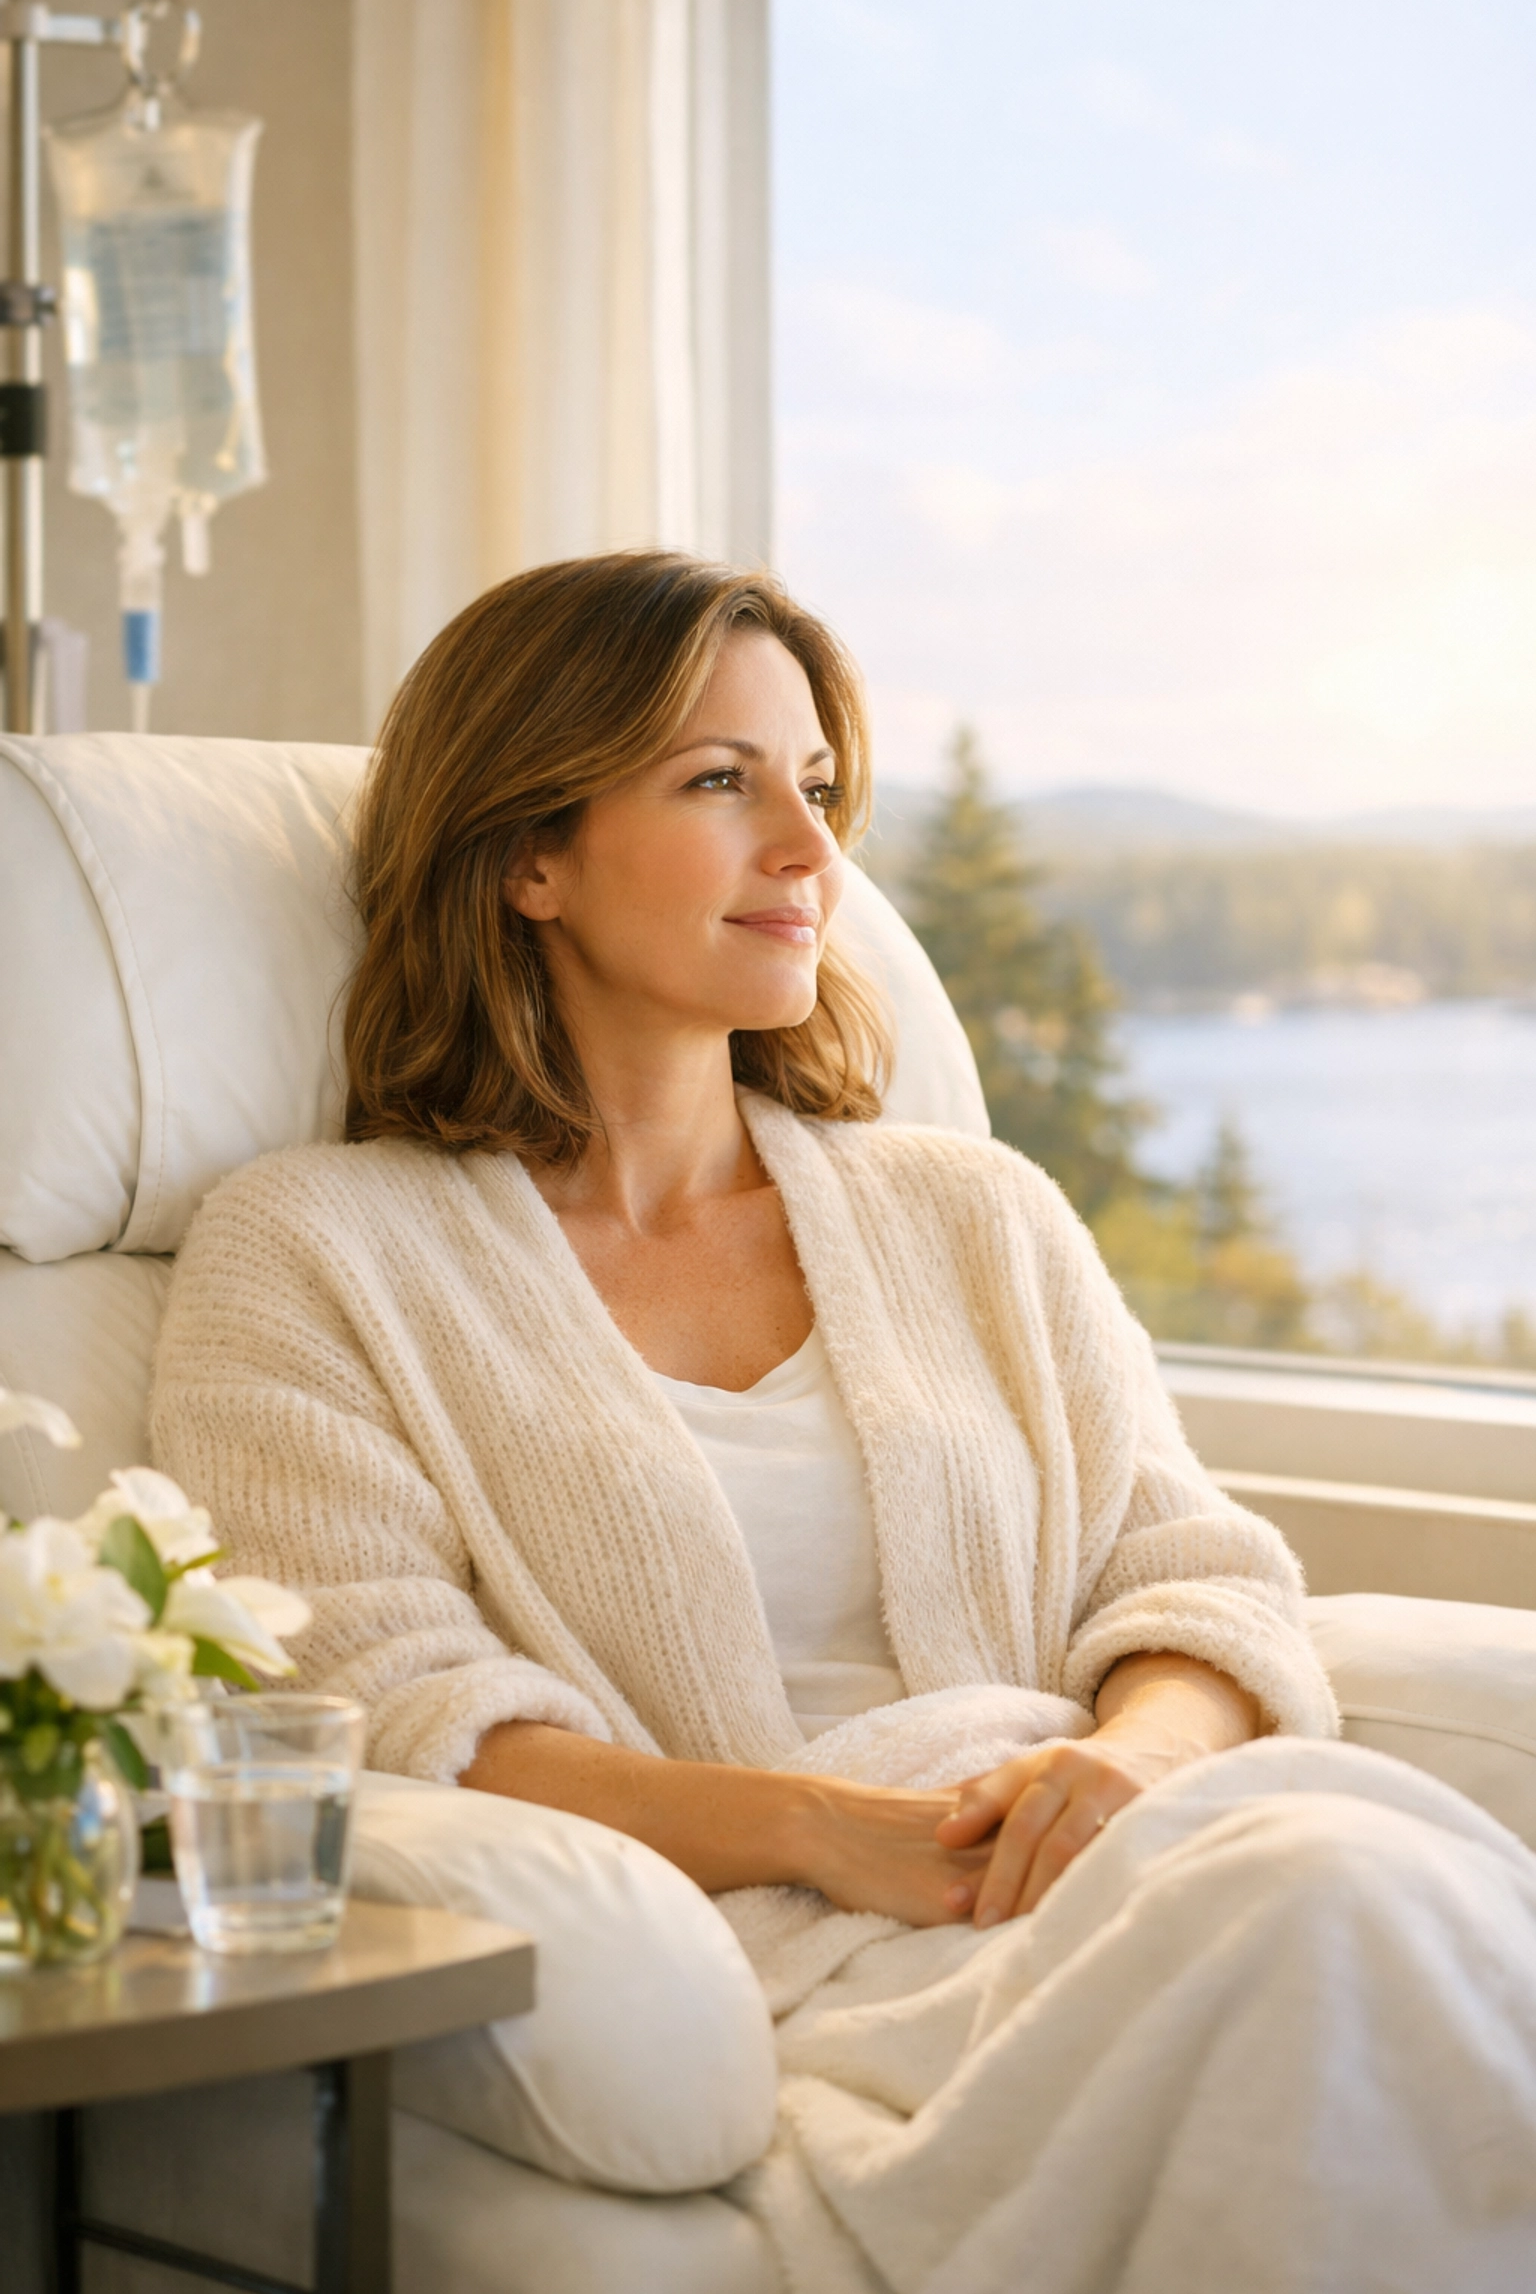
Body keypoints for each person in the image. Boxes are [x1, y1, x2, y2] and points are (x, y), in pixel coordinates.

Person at [152, 553, 1536, 2293]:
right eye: (719, 783)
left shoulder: (976, 1212)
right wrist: (820, 1827)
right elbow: (381, 1715)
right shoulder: (318, 1247)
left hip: (1127, 1856)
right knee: (1332, 1921)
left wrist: (1132, 1762)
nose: (811, 853)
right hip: (793, 1952)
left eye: (812, 788)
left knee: (1355, 1891)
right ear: (528, 857)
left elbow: (1198, 1581)